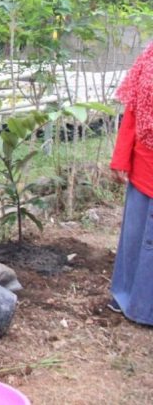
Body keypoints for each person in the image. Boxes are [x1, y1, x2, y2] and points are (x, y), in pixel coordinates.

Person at [108, 40, 153, 326]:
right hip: (144, 164)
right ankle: (128, 298)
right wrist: (120, 158)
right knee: (137, 235)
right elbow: (133, 111)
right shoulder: (149, 56)